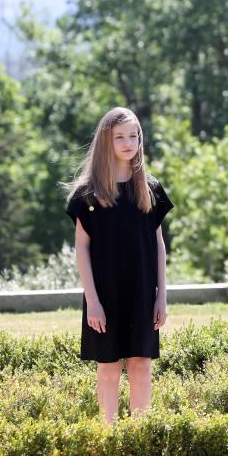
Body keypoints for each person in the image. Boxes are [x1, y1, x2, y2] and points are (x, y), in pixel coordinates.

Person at [64, 107, 173, 424]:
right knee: (109, 368)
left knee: (141, 366)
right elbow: (82, 249)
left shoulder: (149, 189)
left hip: (141, 293)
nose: (128, 142)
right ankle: (108, 438)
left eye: (134, 136)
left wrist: (161, 296)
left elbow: (159, 245)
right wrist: (93, 301)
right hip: (104, 296)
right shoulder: (89, 194)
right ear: (106, 141)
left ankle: (139, 438)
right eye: (120, 137)